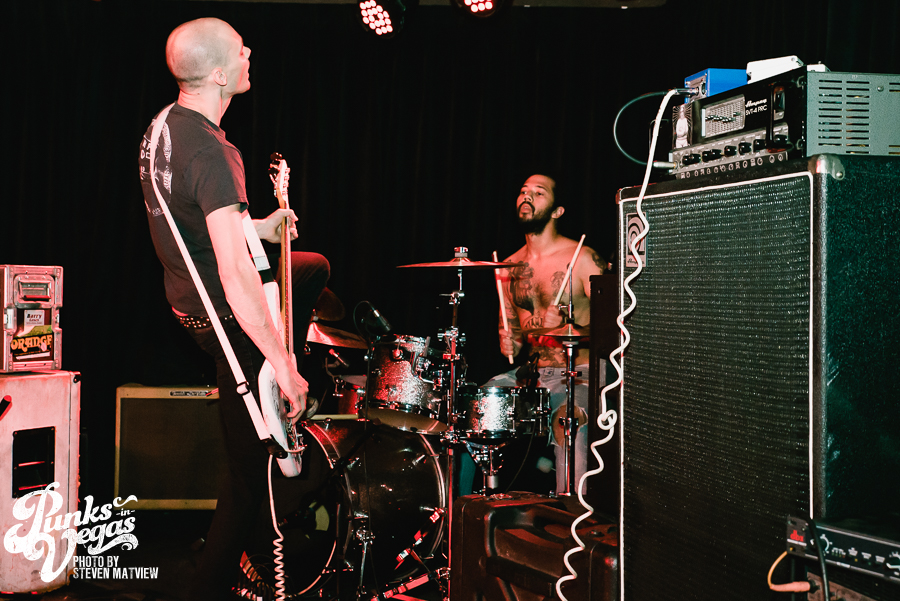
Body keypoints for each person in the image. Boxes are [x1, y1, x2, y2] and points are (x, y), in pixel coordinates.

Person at [138, 17, 324, 600]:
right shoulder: (214, 153)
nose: (249, 54)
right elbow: (235, 275)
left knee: (311, 266)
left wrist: (259, 226)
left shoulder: (164, 127)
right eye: (240, 50)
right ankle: (213, 586)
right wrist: (283, 361)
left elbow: (194, 217)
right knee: (253, 478)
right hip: (222, 318)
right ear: (220, 74)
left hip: (186, 303)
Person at [488, 174, 606, 494]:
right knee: (476, 408)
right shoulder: (508, 266)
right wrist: (508, 342)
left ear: (557, 211)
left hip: (581, 372)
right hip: (533, 374)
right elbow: (512, 334)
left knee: (570, 420)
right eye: (523, 191)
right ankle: (464, 508)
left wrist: (570, 325)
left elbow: (617, 326)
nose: (527, 196)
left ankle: (574, 513)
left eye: (538, 192)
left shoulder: (582, 258)